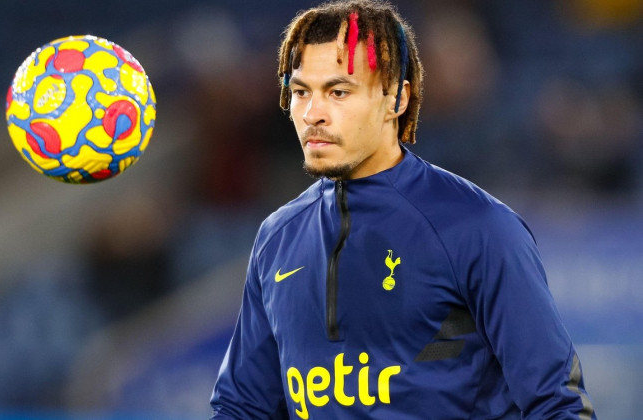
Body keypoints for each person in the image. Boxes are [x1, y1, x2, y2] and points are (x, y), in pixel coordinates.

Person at [210, 1, 596, 418]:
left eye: (338, 91)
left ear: (396, 98)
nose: (312, 114)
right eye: (302, 91)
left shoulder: (478, 228)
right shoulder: (277, 238)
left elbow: (558, 405)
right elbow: (242, 406)